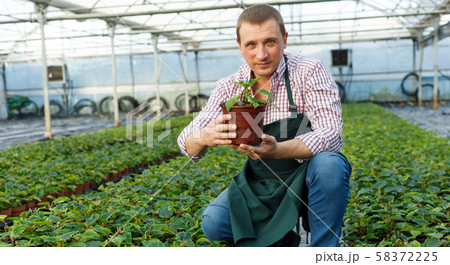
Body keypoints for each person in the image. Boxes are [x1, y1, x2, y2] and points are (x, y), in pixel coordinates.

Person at [177, 4, 351, 247]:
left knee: (329, 165)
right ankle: (280, 241)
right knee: (214, 222)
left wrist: (277, 149)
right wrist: (204, 137)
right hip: (263, 183)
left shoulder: (309, 71)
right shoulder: (231, 86)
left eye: (270, 42)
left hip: (309, 178)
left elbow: (331, 134)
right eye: (251, 45)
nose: (261, 54)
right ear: (239, 46)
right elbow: (186, 140)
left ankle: (323, 250)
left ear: (285, 39)